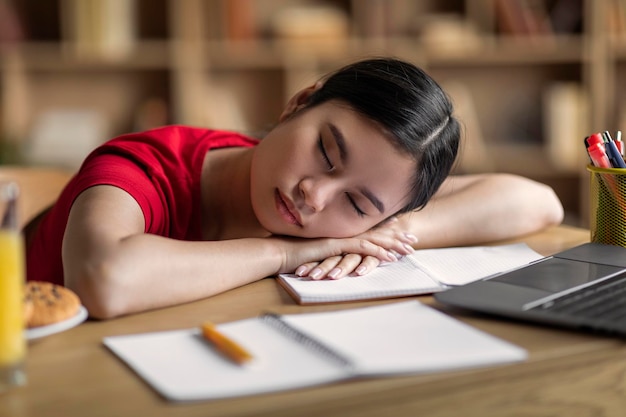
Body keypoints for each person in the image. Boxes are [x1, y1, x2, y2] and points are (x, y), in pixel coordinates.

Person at [25, 57, 564, 319]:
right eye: (327, 152)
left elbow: (537, 201)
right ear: (299, 102)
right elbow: (105, 281)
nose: (315, 195)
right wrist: (287, 251)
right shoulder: (145, 166)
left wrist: (393, 232)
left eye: (356, 203)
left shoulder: (366, 219)